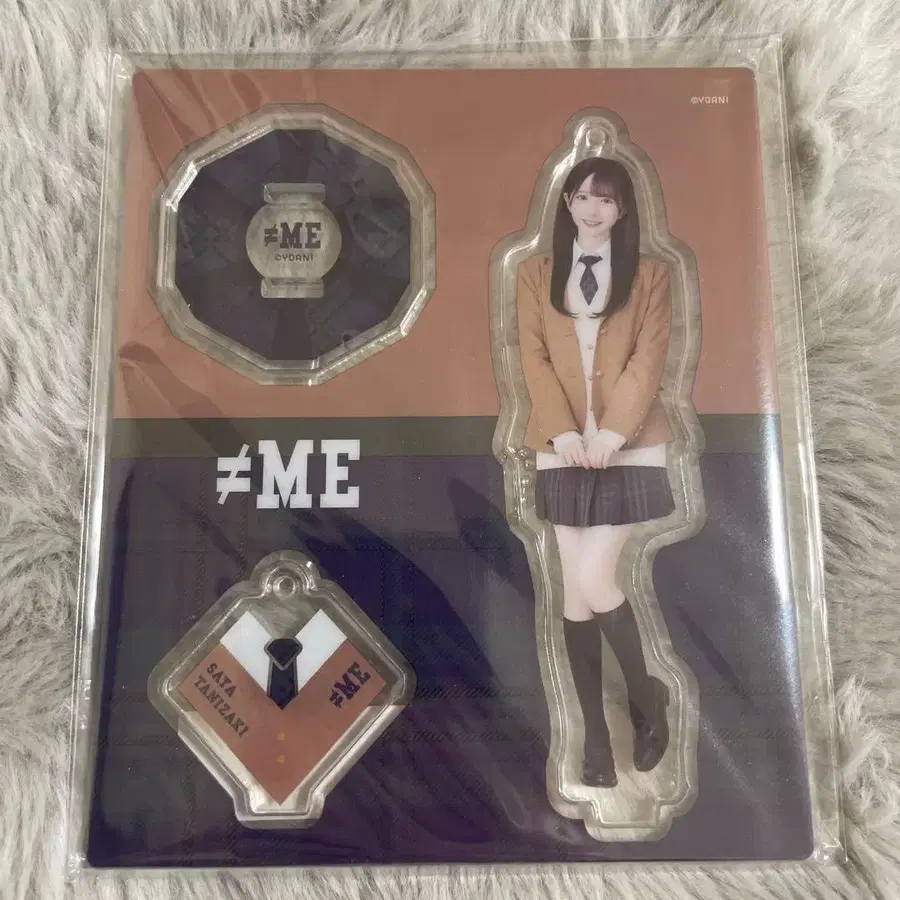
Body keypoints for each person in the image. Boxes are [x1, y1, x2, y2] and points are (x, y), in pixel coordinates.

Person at [516, 156, 675, 788]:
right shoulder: (535, 274)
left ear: (623, 209)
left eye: (605, 199)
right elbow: (532, 356)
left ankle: (648, 696)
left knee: (591, 576)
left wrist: (611, 433)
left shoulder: (652, 275)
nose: (592, 209)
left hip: (628, 444)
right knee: (574, 595)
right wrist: (562, 432)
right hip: (558, 444)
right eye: (581, 196)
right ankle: (597, 745)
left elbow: (649, 358)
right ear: (566, 204)